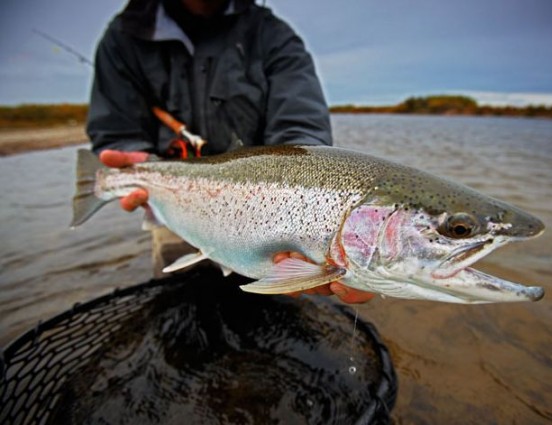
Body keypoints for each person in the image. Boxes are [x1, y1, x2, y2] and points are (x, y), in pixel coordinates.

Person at [87, 0, 374, 304]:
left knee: (277, 306)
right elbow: (115, 128)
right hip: (174, 207)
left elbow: (301, 131)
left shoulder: (273, 36)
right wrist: (135, 159)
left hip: (270, 217)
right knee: (179, 302)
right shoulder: (123, 36)